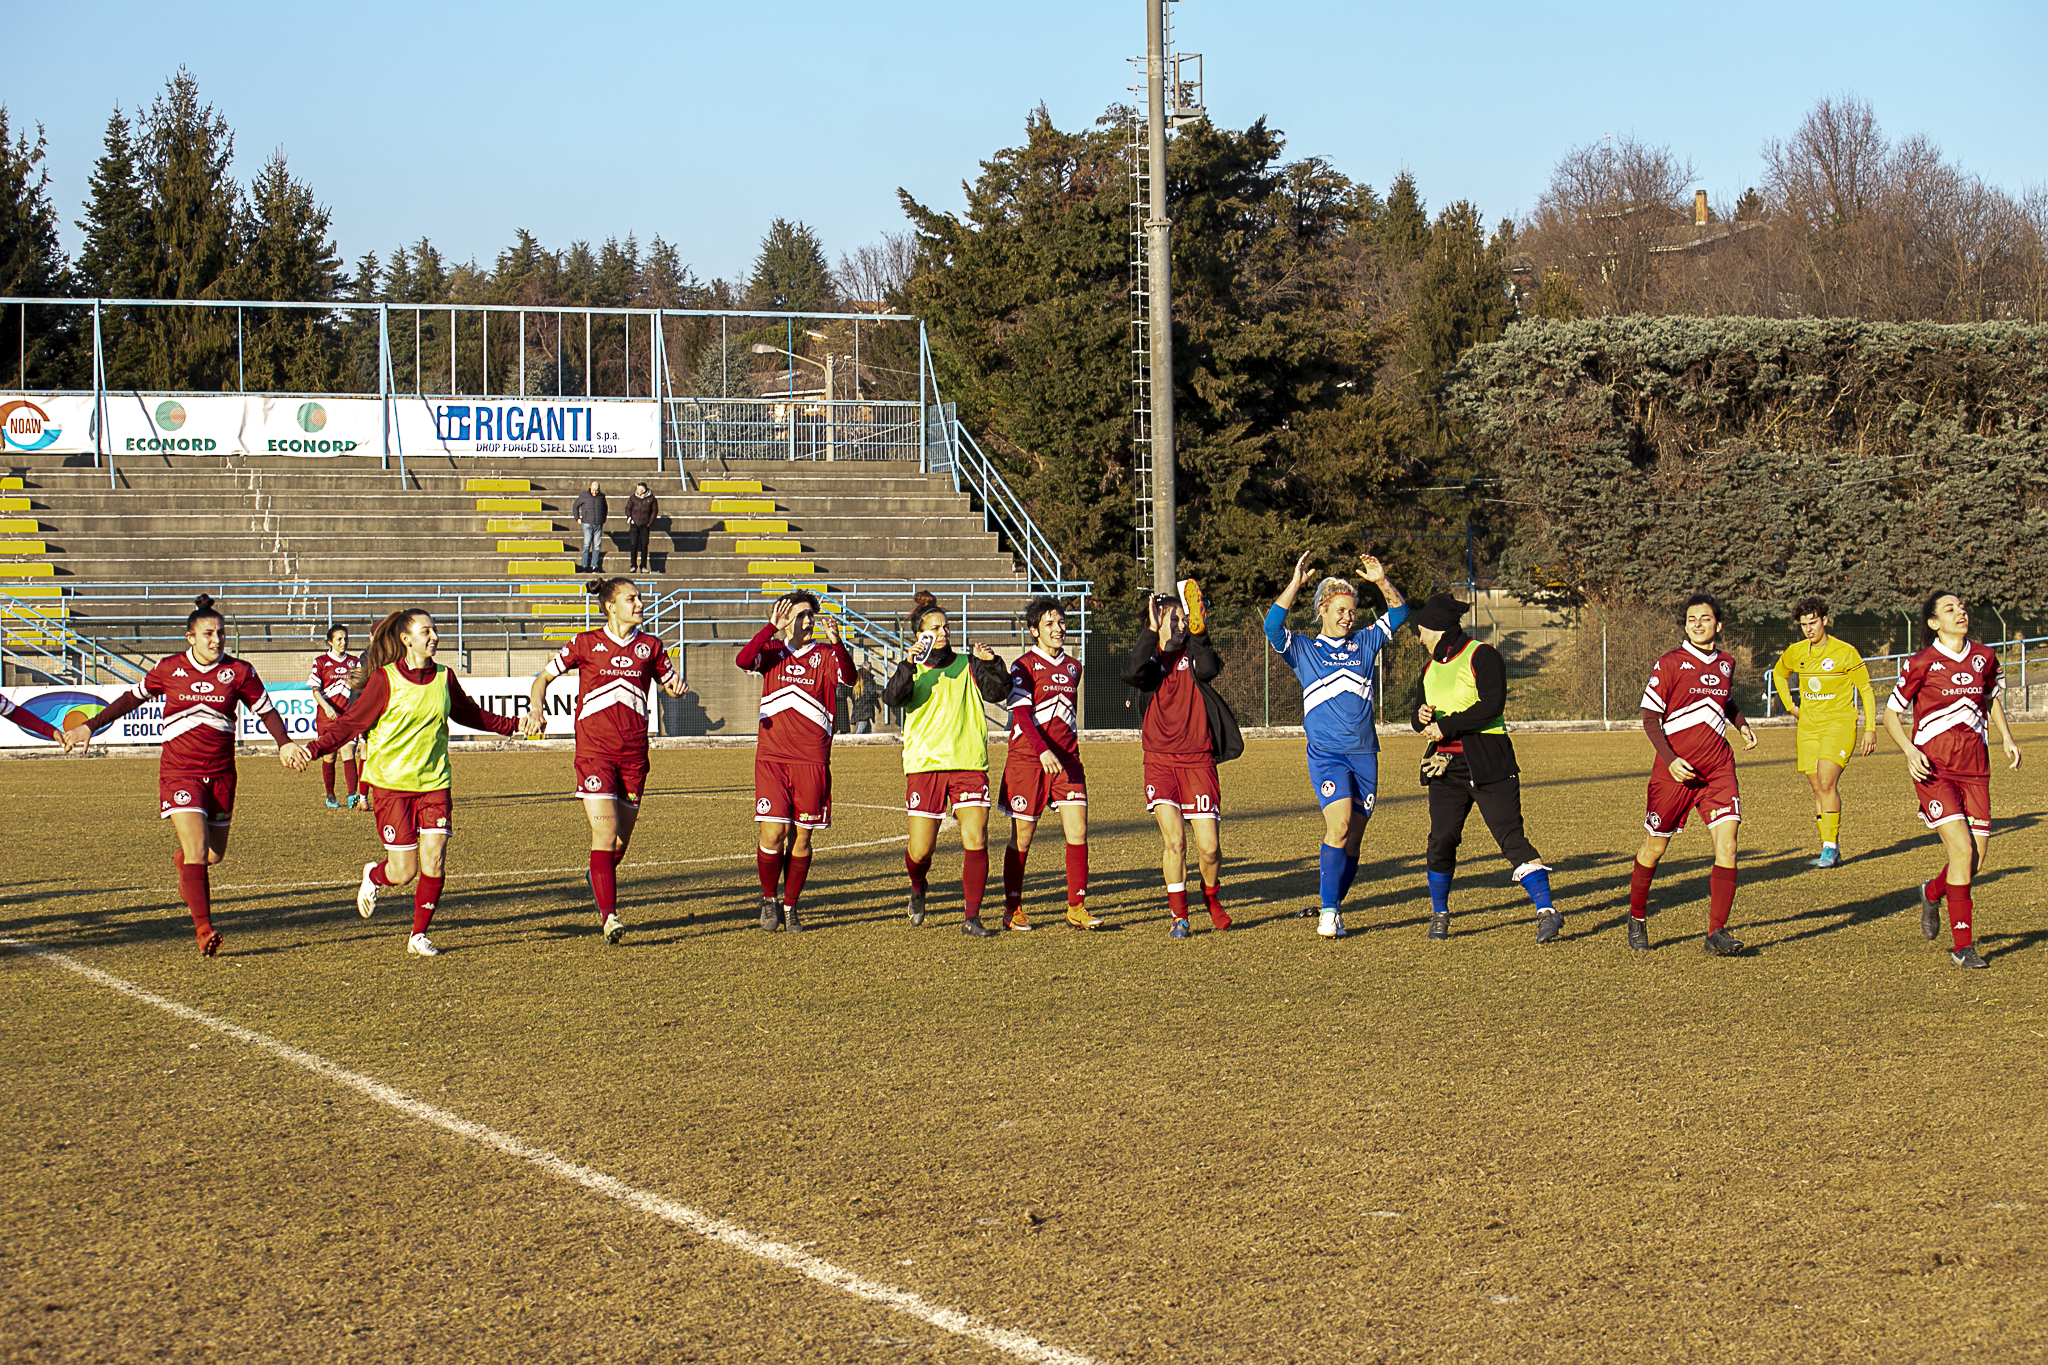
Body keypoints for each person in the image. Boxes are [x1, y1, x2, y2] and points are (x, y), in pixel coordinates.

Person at [61, 595, 302, 957]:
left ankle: (184, 870)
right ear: (190, 638)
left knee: (212, 856)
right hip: (180, 774)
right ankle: (204, 930)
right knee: (196, 849)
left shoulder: (239, 671)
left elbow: (266, 711)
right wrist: (90, 726)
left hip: (221, 775)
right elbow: (130, 699)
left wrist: (284, 743)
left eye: (220, 633)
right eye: (207, 634)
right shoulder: (168, 668)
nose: (216, 640)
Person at [290, 608, 535, 957]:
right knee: (403, 872)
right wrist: (312, 750)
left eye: (434, 630)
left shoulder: (444, 677)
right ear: (406, 639)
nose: (433, 637)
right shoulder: (384, 680)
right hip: (391, 786)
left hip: (435, 783)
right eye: (425, 632)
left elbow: (470, 713)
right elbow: (350, 724)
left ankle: (418, 936)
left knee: (434, 861)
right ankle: (375, 876)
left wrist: (513, 726)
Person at [527, 578, 687, 945]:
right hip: (594, 754)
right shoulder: (584, 643)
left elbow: (670, 680)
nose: (640, 603)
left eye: (640, 597)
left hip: (634, 756)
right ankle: (609, 917)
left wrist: (676, 687)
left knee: (618, 846)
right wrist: (537, 705)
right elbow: (543, 678)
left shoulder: (651, 647)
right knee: (605, 832)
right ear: (610, 606)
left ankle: (597, 877)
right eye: (631, 598)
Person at [1265, 551, 1407, 938]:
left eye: (1352, 610)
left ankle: (1335, 904)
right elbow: (1272, 626)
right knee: (1339, 823)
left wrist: (1381, 582)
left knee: (1354, 838)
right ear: (1323, 610)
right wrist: (1295, 583)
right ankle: (1328, 914)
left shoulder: (1365, 642)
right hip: (1327, 754)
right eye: (1341, 609)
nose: (1349, 616)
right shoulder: (1304, 650)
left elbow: (1399, 614)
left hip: (1365, 755)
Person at [1406, 593, 1562, 943]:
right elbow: (1419, 715)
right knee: (1441, 840)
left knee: (1510, 838)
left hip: (1489, 763)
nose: (1419, 638)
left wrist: (1448, 726)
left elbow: (1492, 704)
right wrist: (1422, 719)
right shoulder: (1429, 668)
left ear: (1440, 629)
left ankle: (1547, 911)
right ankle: (1440, 914)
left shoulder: (1482, 655)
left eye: (1422, 631)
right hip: (1443, 767)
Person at [1884, 591, 2023, 970]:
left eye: (1961, 607)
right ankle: (1963, 947)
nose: (1960, 612)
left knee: (1974, 860)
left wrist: (2007, 737)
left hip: (1976, 768)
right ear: (1933, 623)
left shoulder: (1984, 656)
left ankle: (1931, 892)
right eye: (1949, 609)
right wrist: (1911, 752)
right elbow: (1891, 715)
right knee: (1961, 851)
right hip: (1934, 770)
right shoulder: (1921, 662)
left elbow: (1992, 698)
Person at [1627, 593, 1759, 956]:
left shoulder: (1727, 663)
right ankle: (1637, 916)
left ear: (1719, 624)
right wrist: (1670, 760)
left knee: (1728, 845)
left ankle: (1716, 932)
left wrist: (1741, 724)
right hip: (1675, 773)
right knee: (1655, 848)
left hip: (1718, 769)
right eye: (1691, 619)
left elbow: (1725, 700)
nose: (1697, 624)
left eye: (1704, 618)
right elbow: (1650, 718)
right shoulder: (1669, 663)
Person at [879, 590, 1011, 936]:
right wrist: (907, 665)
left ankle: (971, 917)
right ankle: (918, 886)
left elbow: (999, 692)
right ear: (920, 635)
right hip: (925, 767)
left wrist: (993, 661)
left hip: (968, 763)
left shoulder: (968, 663)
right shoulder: (912, 668)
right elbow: (891, 698)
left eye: (946, 627)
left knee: (977, 838)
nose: (943, 632)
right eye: (935, 628)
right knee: (921, 850)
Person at [1123, 578, 1236, 938]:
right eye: (1171, 619)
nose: (1178, 625)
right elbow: (1132, 673)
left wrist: (1198, 630)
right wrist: (1150, 633)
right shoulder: (1152, 659)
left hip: (1198, 761)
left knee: (1210, 849)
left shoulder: (1193, 652)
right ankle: (1179, 916)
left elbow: (1209, 669)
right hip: (1159, 760)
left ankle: (1211, 895)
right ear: (1156, 622)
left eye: (1181, 619)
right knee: (1175, 842)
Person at [737, 591, 856, 932]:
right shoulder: (772, 652)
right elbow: (744, 661)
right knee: (773, 832)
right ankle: (768, 900)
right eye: (799, 614)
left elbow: (849, 678)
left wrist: (839, 645)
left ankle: (791, 906)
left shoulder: (825, 654)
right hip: (773, 758)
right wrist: (768, 629)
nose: (807, 620)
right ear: (786, 619)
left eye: (810, 615)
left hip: (812, 761)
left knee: (802, 838)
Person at [999, 596, 1098, 931]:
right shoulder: (1023, 666)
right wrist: (1042, 750)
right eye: (1050, 624)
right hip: (1028, 760)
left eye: (1061, 622)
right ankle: (1012, 908)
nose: (1059, 629)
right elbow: (1022, 714)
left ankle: (1076, 906)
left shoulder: (1074, 666)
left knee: (1079, 831)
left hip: (1068, 759)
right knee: (1022, 837)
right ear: (1034, 631)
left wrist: (1058, 750)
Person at [1769, 599, 1879, 868]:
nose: (1808, 629)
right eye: (1804, 624)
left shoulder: (1845, 652)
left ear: (1825, 621)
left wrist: (1870, 729)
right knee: (1818, 788)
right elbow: (1778, 674)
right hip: (1808, 728)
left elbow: (1865, 689)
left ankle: (1829, 847)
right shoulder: (1796, 652)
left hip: (1839, 724)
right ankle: (1829, 848)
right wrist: (1791, 707)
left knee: (1827, 782)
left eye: (1813, 623)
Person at [309, 624, 365, 811]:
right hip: (327, 718)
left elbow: (359, 688)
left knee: (348, 753)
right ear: (330, 642)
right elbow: (315, 690)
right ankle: (330, 794)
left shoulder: (354, 662)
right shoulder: (320, 662)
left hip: (347, 718)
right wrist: (326, 707)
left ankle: (352, 795)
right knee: (330, 756)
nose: (343, 642)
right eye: (339, 639)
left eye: (345, 638)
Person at [624, 481, 659, 573]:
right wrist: (630, 518)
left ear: (644, 490)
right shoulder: (633, 498)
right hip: (634, 524)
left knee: (644, 545)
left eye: (640, 490)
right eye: (637, 489)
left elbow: (654, 511)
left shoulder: (651, 499)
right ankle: (633, 565)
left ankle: (643, 566)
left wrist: (650, 522)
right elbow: (627, 508)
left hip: (645, 525)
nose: (638, 491)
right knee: (633, 544)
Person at [573, 480, 608, 573]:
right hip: (587, 523)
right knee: (586, 545)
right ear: (590, 488)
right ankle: (584, 565)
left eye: (596, 490)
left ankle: (594, 566)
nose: (594, 492)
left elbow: (605, 508)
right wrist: (577, 518)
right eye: (593, 490)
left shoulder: (602, 497)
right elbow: (575, 506)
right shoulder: (584, 495)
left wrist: (603, 519)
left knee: (596, 546)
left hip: (598, 524)